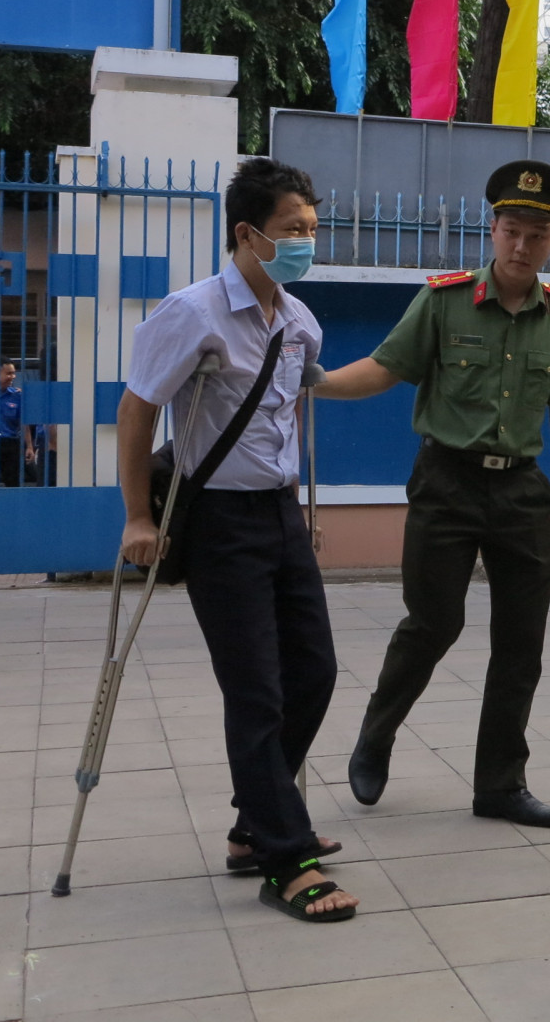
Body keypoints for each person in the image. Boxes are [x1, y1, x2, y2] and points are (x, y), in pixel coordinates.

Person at [316, 159, 550, 829]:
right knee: (434, 622)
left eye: (537, 234)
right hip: (446, 482)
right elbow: (386, 369)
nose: (523, 245)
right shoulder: (443, 301)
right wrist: (313, 383)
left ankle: (500, 786)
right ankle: (376, 736)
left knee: (521, 643)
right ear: (492, 229)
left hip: (522, 491)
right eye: (512, 231)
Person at [116, 156, 358, 923]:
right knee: (254, 688)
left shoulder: (299, 321)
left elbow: (289, 411)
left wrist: (295, 498)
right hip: (216, 521)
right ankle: (287, 858)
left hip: (280, 517)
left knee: (313, 671)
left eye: (312, 230)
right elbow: (136, 411)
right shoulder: (191, 313)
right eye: (293, 230)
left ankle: (259, 819)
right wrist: (138, 516)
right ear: (248, 234)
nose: (305, 243)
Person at [0, 360, 35, 486]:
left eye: (14, 373)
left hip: (10, 444)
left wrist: (29, 446)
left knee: (13, 483)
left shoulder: (17, 396)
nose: (13, 377)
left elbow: (24, 423)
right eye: (8, 373)